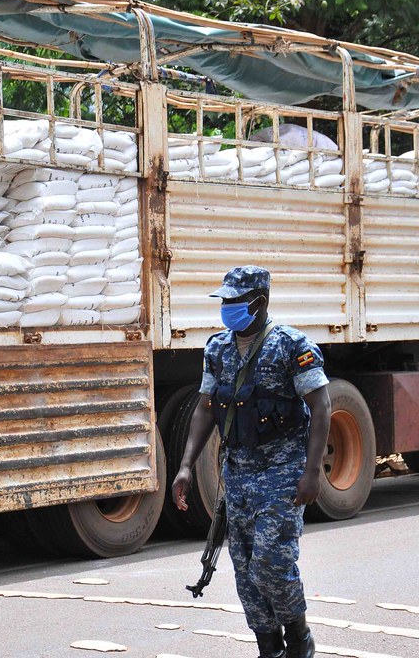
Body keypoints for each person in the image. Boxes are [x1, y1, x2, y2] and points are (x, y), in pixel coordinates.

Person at [172, 265, 331, 658]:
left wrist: (313, 472)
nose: (226, 307)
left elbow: (322, 406)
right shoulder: (218, 348)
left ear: (258, 303)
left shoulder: (293, 346)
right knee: (245, 570)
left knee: (271, 562)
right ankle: (268, 648)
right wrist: (186, 466)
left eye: (234, 301)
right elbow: (206, 409)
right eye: (223, 300)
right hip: (238, 475)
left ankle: (299, 639)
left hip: (283, 472)